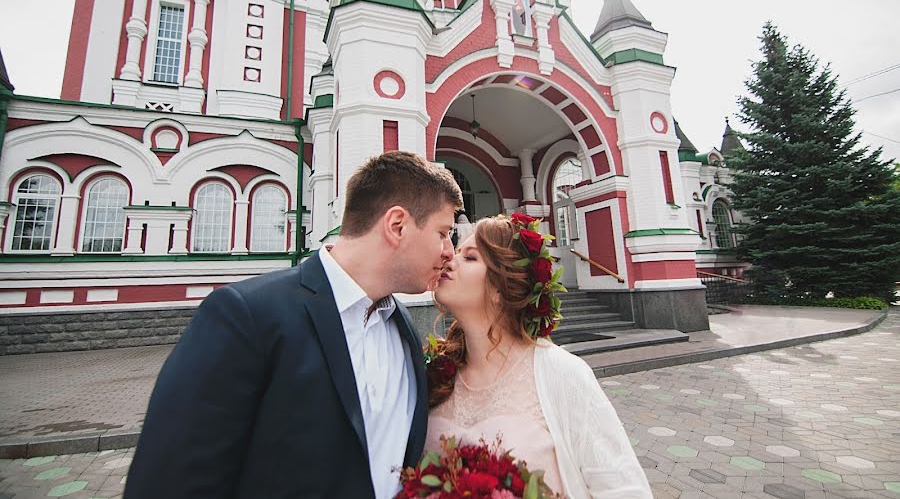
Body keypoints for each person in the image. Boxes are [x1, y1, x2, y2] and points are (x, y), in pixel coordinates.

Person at [124, 151, 463, 499]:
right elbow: (170, 481)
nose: (449, 251)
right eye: (443, 232)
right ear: (397, 225)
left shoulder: (401, 324)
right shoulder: (247, 316)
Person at [425, 214, 652, 498]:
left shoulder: (563, 373)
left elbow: (624, 489)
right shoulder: (437, 372)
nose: (449, 259)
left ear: (500, 287)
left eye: (469, 258)